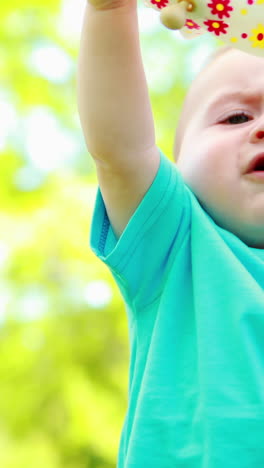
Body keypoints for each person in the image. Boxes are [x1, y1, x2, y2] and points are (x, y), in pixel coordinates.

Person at [77, 0, 264, 465]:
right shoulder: (177, 244)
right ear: (176, 174)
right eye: (237, 117)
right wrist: (109, 9)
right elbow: (119, 149)